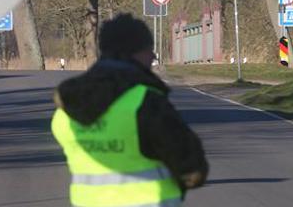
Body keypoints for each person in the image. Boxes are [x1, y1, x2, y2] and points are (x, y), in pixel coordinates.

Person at [51, 13, 208, 207]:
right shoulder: (145, 102)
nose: (153, 56)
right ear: (135, 53)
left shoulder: (66, 108)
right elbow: (191, 168)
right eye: (148, 49)